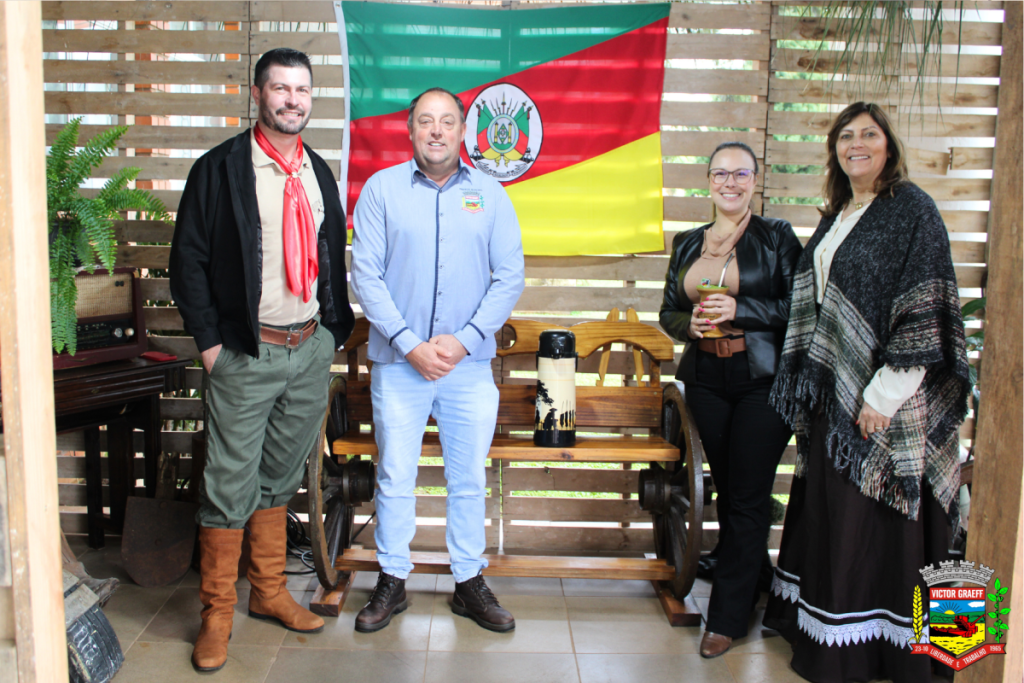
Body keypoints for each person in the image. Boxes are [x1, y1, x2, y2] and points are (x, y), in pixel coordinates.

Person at [763, 102, 970, 683]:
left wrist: (882, 396)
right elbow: (819, 308)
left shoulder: (912, 210)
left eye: (869, 134)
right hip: (835, 397)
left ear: (888, 145)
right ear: (835, 150)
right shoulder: (838, 215)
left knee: (886, 524)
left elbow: (925, 312)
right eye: (846, 136)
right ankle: (839, 647)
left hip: (887, 400)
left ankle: (925, 654)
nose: (857, 144)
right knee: (842, 524)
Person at [169, 48, 355, 673]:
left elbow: (330, 257)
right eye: (281, 88)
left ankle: (269, 592)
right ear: (258, 94)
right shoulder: (219, 170)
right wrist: (211, 347)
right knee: (229, 485)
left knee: (278, 478)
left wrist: (331, 334)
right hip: (245, 355)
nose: (292, 100)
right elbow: (187, 262)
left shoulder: (317, 171)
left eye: (302, 90)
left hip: (308, 350)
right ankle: (217, 615)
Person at [350, 87, 525, 634]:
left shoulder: (491, 195)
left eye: (447, 121)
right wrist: (409, 343)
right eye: (425, 120)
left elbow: (509, 276)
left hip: (467, 367)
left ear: (463, 131)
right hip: (399, 364)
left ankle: (468, 582)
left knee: (468, 478)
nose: (436, 131)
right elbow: (366, 275)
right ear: (410, 130)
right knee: (395, 476)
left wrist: (466, 339)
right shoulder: (380, 191)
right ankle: (392, 580)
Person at [660, 141, 802, 658]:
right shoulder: (687, 243)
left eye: (741, 174)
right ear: (708, 181)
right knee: (733, 488)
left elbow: (799, 305)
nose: (730, 183)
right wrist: (690, 325)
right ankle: (757, 576)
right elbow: (668, 312)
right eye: (721, 173)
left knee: (745, 496)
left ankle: (725, 620)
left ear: (755, 180)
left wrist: (740, 308)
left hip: (762, 378)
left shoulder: (777, 236)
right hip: (705, 380)